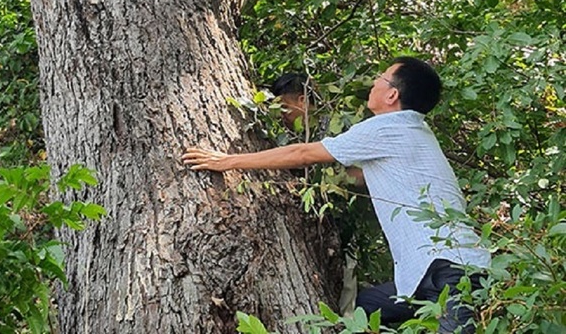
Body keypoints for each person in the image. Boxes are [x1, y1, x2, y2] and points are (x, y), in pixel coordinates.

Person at [183, 57, 490, 333]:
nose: (373, 83)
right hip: (426, 272)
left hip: (451, 269)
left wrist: (226, 161)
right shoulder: (414, 132)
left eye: (381, 78)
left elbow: (303, 152)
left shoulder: (386, 128)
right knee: (361, 310)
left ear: (392, 94)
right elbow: (363, 176)